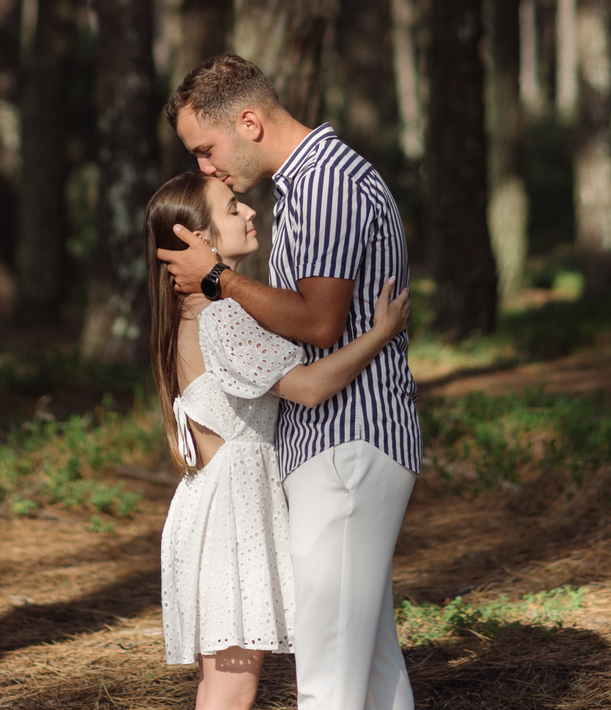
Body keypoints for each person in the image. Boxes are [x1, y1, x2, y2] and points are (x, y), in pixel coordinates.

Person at [157, 53, 422, 710]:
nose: (206, 167)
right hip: (326, 450)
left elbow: (320, 323)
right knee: (372, 671)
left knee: (328, 681)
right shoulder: (304, 187)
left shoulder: (326, 182)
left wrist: (217, 279)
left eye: (207, 149)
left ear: (249, 120)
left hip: (347, 446)